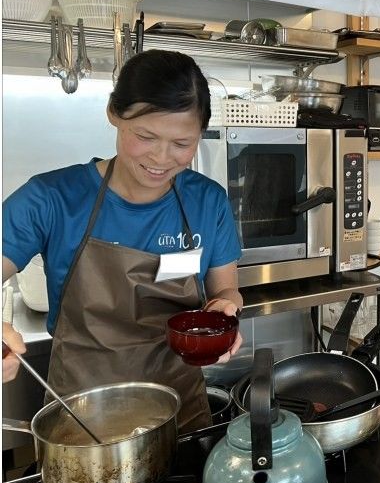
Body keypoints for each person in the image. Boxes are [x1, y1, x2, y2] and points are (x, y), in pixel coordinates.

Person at [2, 50, 243, 433]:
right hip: (83, 414)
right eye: (145, 136)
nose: (161, 159)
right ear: (114, 113)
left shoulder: (208, 201)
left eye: (182, 143)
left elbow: (227, 288)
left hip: (180, 410)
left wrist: (225, 307)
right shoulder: (50, 199)